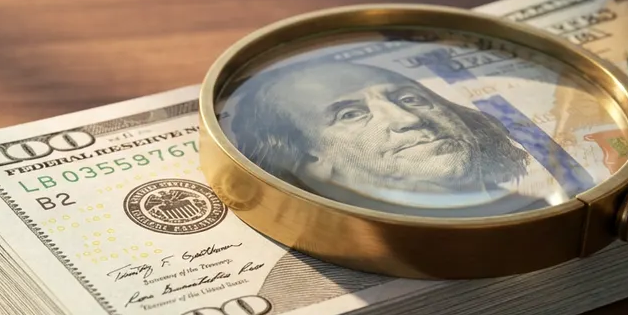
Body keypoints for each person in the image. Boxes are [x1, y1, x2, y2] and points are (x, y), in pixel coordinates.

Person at [227, 55, 531, 208]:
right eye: (351, 114)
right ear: (309, 158)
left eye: (410, 99)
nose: (407, 119)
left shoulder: (533, 207)